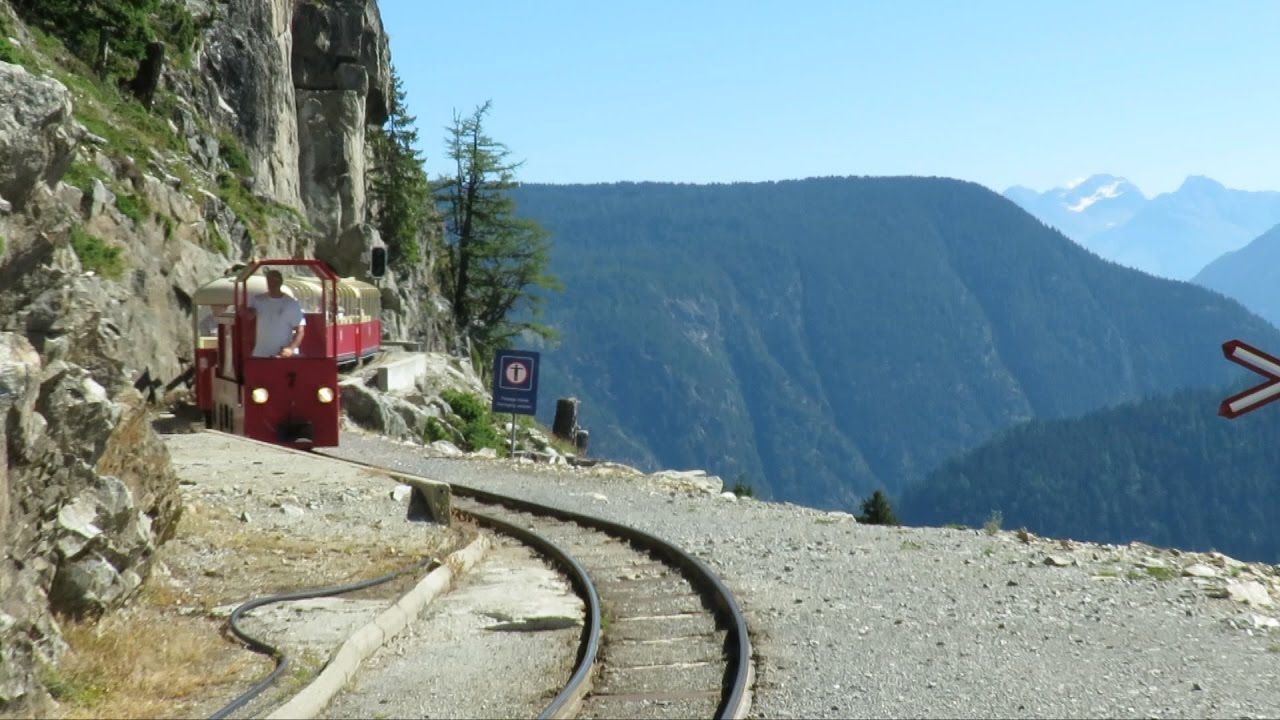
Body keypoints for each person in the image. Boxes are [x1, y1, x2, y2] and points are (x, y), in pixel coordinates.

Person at [248, 269, 305, 358]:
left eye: (275, 281)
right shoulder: (258, 300)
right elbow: (248, 315)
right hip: (261, 354)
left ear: (281, 282)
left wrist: (290, 349)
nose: (272, 284)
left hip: (281, 356)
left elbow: (300, 331)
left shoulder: (291, 303)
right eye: (269, 280)